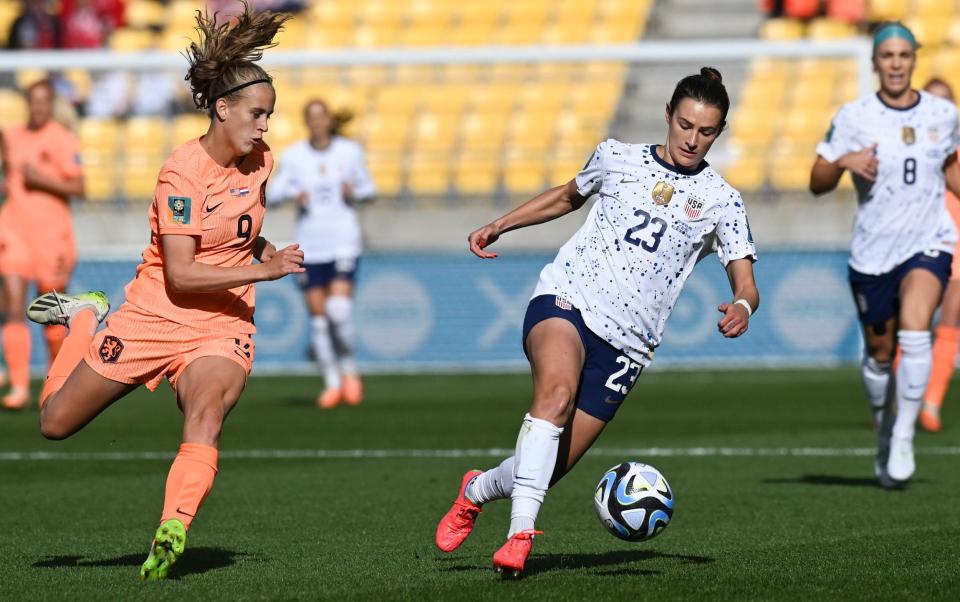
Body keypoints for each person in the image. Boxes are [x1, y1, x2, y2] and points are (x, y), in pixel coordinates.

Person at [434, 67, 758, 577]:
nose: (693, 139)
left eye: (707, 131)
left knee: (544, 467)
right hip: (569, 299)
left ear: (719, 132)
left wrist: (741, 305)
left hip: (628, 345)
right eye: (685, 125)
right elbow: (566, 196)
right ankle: (520, 535)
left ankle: (476, 490)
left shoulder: (722, 200)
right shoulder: (617, 157)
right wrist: (501, 224)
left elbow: (745, 281)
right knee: (556, 396)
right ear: (668, 116)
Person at [24, 2, 302, 580]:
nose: (265, 126)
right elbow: (182, 274)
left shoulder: (261, 162)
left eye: (270, 115)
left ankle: (172, 526)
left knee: (206, 411)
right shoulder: (181, 173)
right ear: (222, 109)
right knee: (54, 422)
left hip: (222, 323)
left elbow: (240, 226)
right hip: (156, 311)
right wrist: (265, 273)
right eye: (257, 114)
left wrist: (263, 249)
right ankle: (84, 318)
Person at [809, 23, 960, 485]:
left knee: (917, 332)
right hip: (873, 253)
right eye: (887, 55)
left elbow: (952, 168)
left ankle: (903, 437)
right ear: (875, 63)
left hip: (928, 241)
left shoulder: (942, 113)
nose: (895, 63)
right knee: (879, 354)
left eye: (903, 55)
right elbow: (816, 181)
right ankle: (883, 424)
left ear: (914, 59)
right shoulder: (854, 116)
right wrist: (842, 163)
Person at [266, 100, 375, 408]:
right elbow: (273, 195)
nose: (316, 123)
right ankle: (332, 384)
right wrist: (291, 193)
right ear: (307, 122)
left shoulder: (349, 152)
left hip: (343, 242)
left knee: (338, 311)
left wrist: (354, 192)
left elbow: (369, 188)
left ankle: (350, 370)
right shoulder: (295, 157)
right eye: (311, 117)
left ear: (328, 120)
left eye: (321, 117)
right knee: (318, 321)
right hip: (310, 246)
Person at [0, 79, 84, 410]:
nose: (37, 107)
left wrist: (42, 180)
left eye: (43, 101)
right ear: (27, 103)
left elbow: (80, 188)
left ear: (50, 105)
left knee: (49, 314)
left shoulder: (63, 140)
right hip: (14, 230)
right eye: (32, 101)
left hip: (52, 236)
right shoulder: (11, 135)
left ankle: (53, 382)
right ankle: (19, 387)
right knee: (14, 306)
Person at [919, 77, 960, 433]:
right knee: (911, 323)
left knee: (949, 320)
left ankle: (931, 402)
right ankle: (899, 398)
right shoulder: (907, 142)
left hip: (957, 240)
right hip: (917, 239)